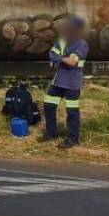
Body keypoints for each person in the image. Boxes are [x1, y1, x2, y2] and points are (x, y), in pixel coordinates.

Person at [41, 15, 89, 149]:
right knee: (49, 106)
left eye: (72, 28)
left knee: (72, 111)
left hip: (72, 84)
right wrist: (62, 59)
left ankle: (73, 138)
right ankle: (51, 132)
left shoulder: (82, 45)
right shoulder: (62, 41)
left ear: (79, 30)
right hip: (58, 81)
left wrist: (58, 59)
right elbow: (51, 54)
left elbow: (72, 61)